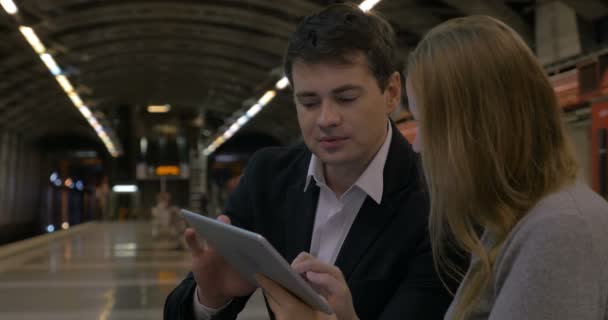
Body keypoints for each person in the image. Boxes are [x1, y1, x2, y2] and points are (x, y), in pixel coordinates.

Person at [257, 15, 608, 320]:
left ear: (479, 127)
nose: (419, 145)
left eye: (427, 125)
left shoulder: (558, 232)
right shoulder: (514, 225)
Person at [164, 3, 456, 320]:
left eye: (346, 98)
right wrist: (209, 298)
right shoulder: (269, 177)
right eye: (309, 102)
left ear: (391, 92)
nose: (326, 119)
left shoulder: (439, 201)